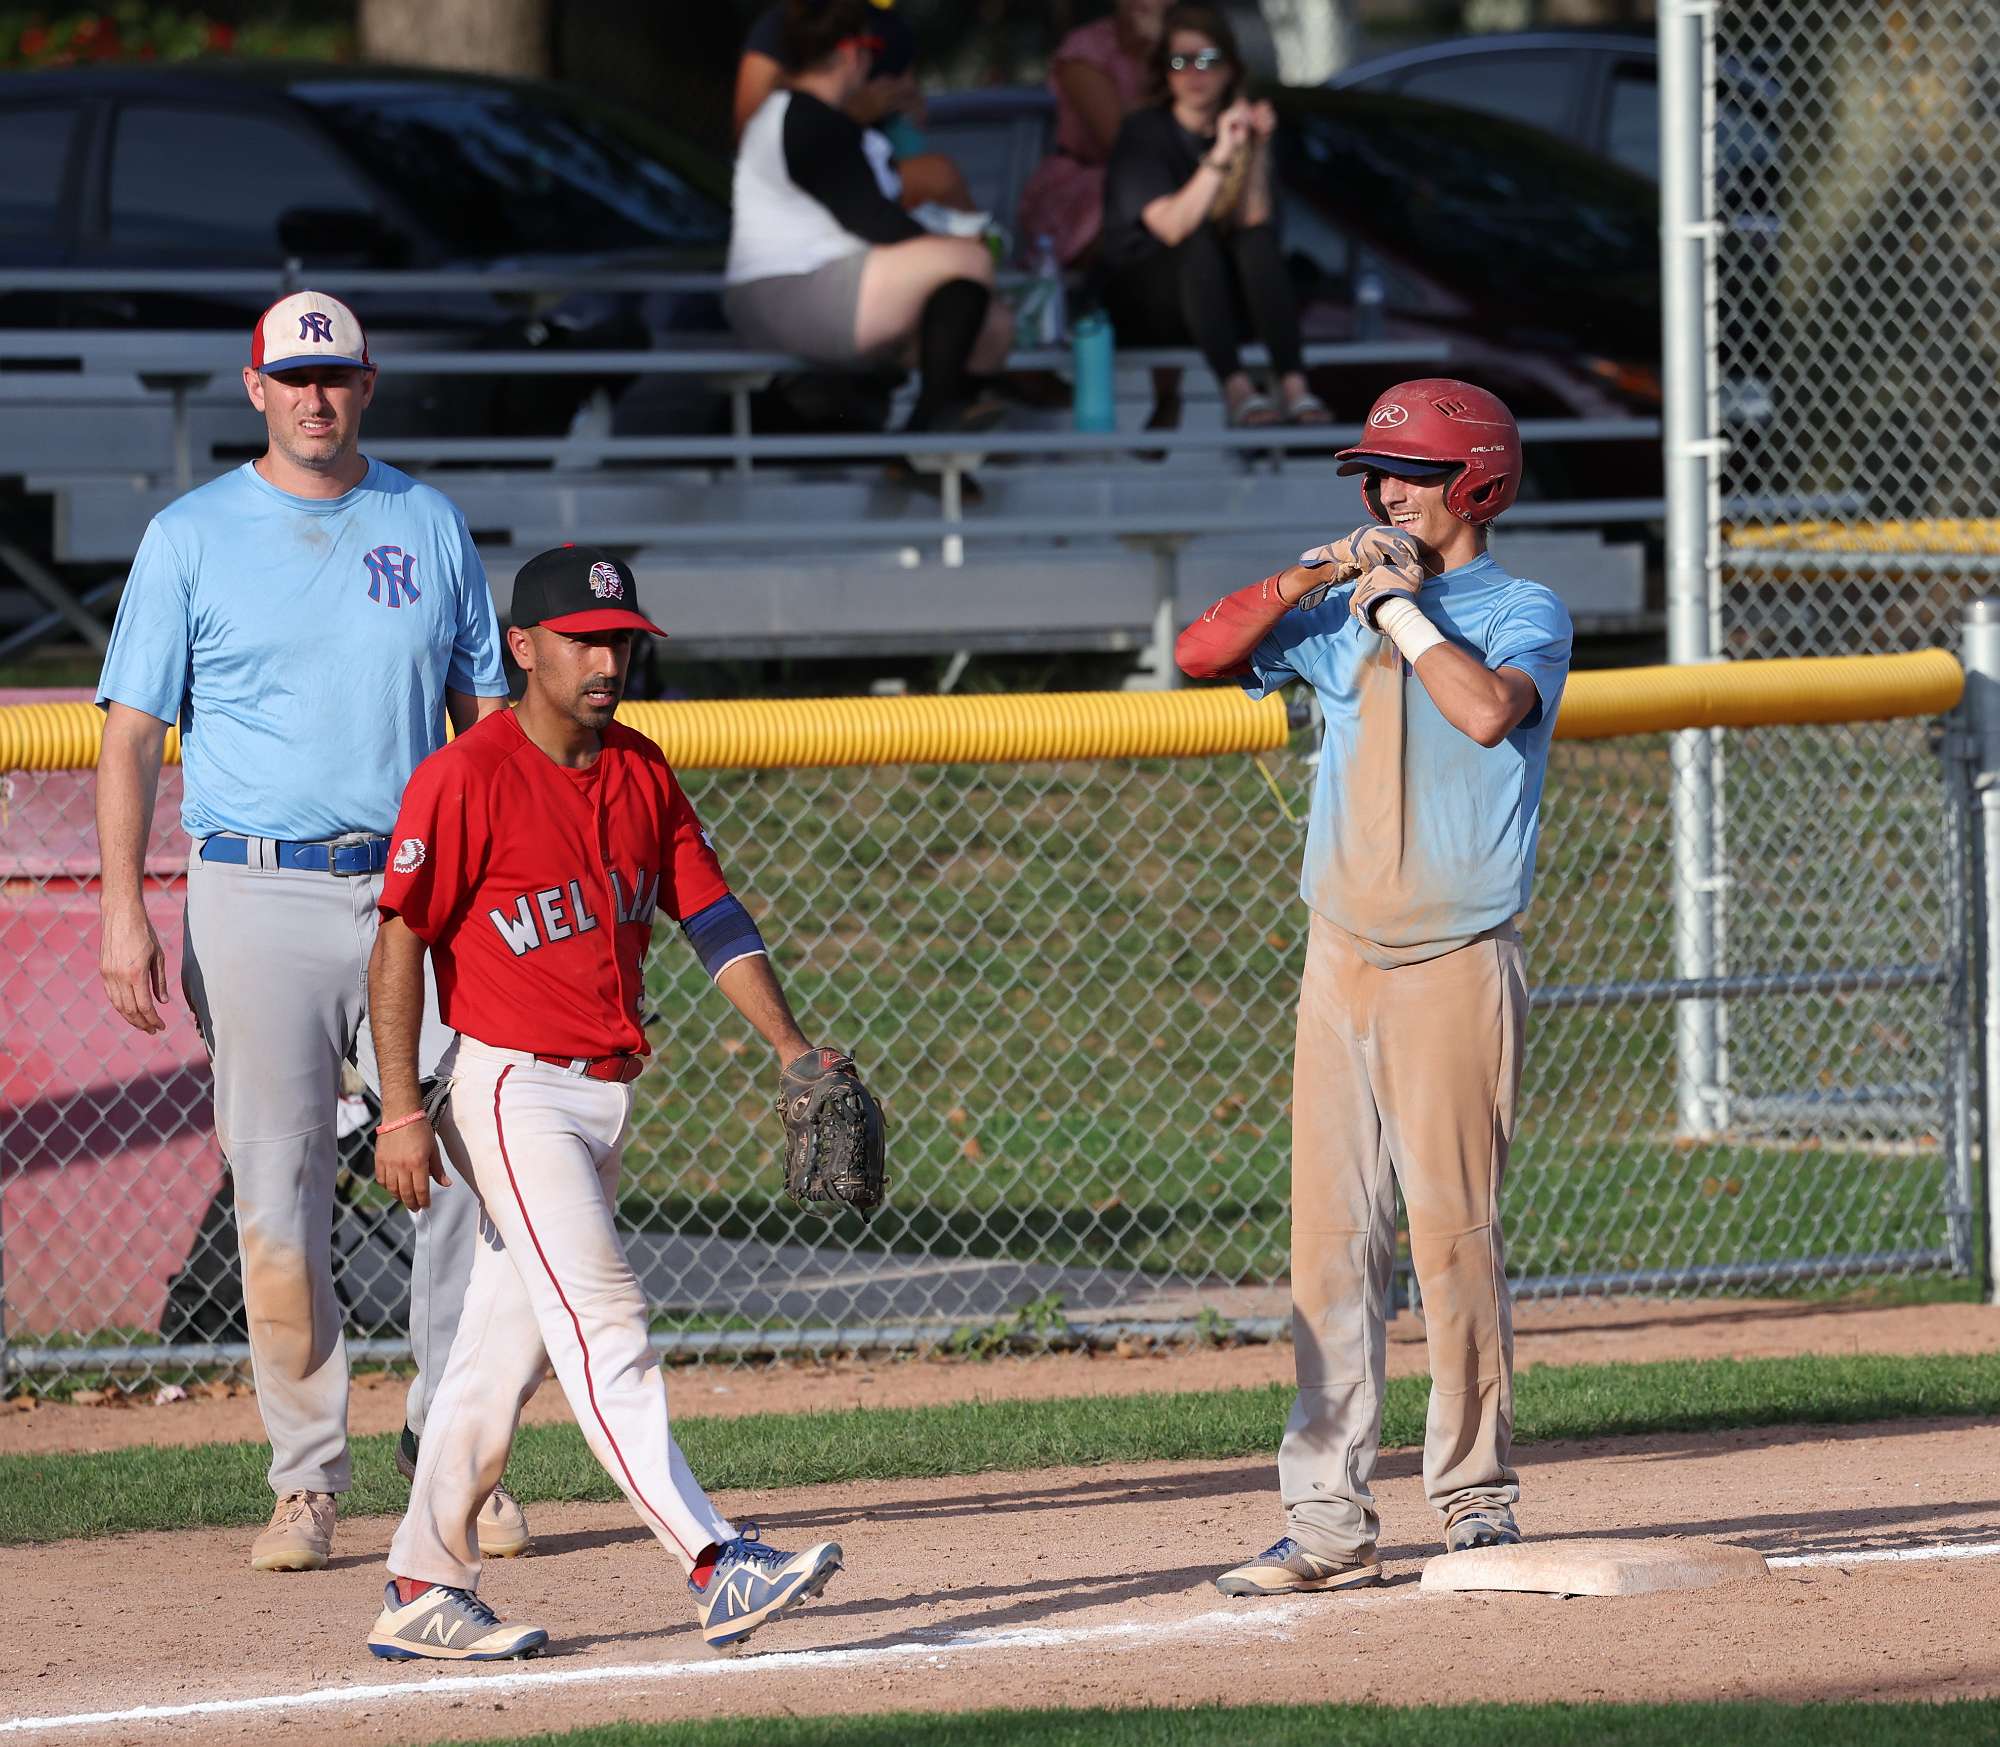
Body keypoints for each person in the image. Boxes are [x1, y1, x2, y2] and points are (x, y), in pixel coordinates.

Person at [93, 291, 530, 1573]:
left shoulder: (426, 520)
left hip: (417, 892)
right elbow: (130, 735)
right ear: (256, 389)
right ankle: (304, 1479)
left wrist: (503, 885)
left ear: (367, 384)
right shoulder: (190, 535)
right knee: (278, 1189)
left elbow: (485, 726)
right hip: (256, 887)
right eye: (293, 376)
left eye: (334, 374)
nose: (315, 395)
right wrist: (124, 909)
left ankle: (458, 1457)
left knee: (472, 1170)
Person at [364, 546, 858, 1660]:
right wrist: (399, 1106)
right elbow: (398, 939)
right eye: (583, 641)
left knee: (501, 1350)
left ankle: (421, 1581)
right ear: (523, 649)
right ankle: (713, 1558)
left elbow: (712, 915)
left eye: (620, 640)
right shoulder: (466, 775)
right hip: (509, 1088)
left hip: (599, 1097)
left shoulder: (640, 768)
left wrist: (789, 1045)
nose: (606, 661)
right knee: (605, 1322)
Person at [1175, 379, 1572, 1593]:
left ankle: (1474, 1500)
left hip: (1455, 960)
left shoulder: (1521, 609)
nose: (1383, 492)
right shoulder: (1341, 604)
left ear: (1477, 484)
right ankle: (1327, 1525)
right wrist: (1312, 574)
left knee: (1454, 1241)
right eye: (1373, 475)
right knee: (1330, 1249)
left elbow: (1485, 711)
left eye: (1409, 473)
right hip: (1338, 954)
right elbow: (1198, 653)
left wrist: (1397, 608)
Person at [725, 0, 1013, 435]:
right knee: (969, 262)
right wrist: (951, 248)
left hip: (836, 286)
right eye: (871, 49)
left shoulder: (832, 124)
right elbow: (873, 221)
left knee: (993, 327)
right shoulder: (801, 118)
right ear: (850, 53)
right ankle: (927, 429)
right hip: (788, 290)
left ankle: (935, 443)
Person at [1099, 4, 1328, 431]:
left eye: (1206, 59)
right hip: (1146, 304)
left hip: (1221, 304)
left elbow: (1254, 221)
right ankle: (1237, 390)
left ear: (1229, 68)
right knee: (1197, 241)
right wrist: (1222, 153)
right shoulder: (1143, 132)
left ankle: (1294, 386)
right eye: (1179, 61)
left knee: (1256, 241)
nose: (1193, 73)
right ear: (1164, 72)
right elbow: (1172, 226)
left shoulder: (1237, 128)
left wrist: (1256, 148)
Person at [733, 1, 974, 213]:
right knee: (939, 177)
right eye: (861, 48)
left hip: (873, 167)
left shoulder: (890, 27)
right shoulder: (784, 25)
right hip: (808, 180)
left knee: (938, 177)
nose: (862, 59)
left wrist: (907, 106)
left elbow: (913, 114)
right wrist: (852, 114)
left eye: (868, 48)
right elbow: (750, 134)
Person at [1017, 0, 1167, 267]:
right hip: (1090, 188)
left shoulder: (1191, 45)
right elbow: (1123, 142)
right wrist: (1159, 59)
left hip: (1167, 177)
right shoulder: (1086, 49)